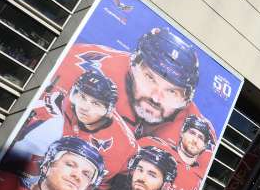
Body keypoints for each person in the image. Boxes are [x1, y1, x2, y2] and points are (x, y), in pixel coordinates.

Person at [46, 27, 204, 146]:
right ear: (133, 65)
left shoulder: (194, 126)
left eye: (171, 91)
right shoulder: (85, 65)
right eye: (149, 78)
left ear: (186, 99)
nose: (156, 98)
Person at [9, 69, 138, 189]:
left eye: (95, 103)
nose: (84, 107)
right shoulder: (55, 107)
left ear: (109, 111)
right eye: (82, 97)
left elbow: (91, 187)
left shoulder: (122, 144)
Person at [138, 115, 215, 190]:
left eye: (201, 137)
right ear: (182, 132)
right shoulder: (155, 148)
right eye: (192, 133)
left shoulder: (203, 177)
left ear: (204, 146)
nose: (195, 140)